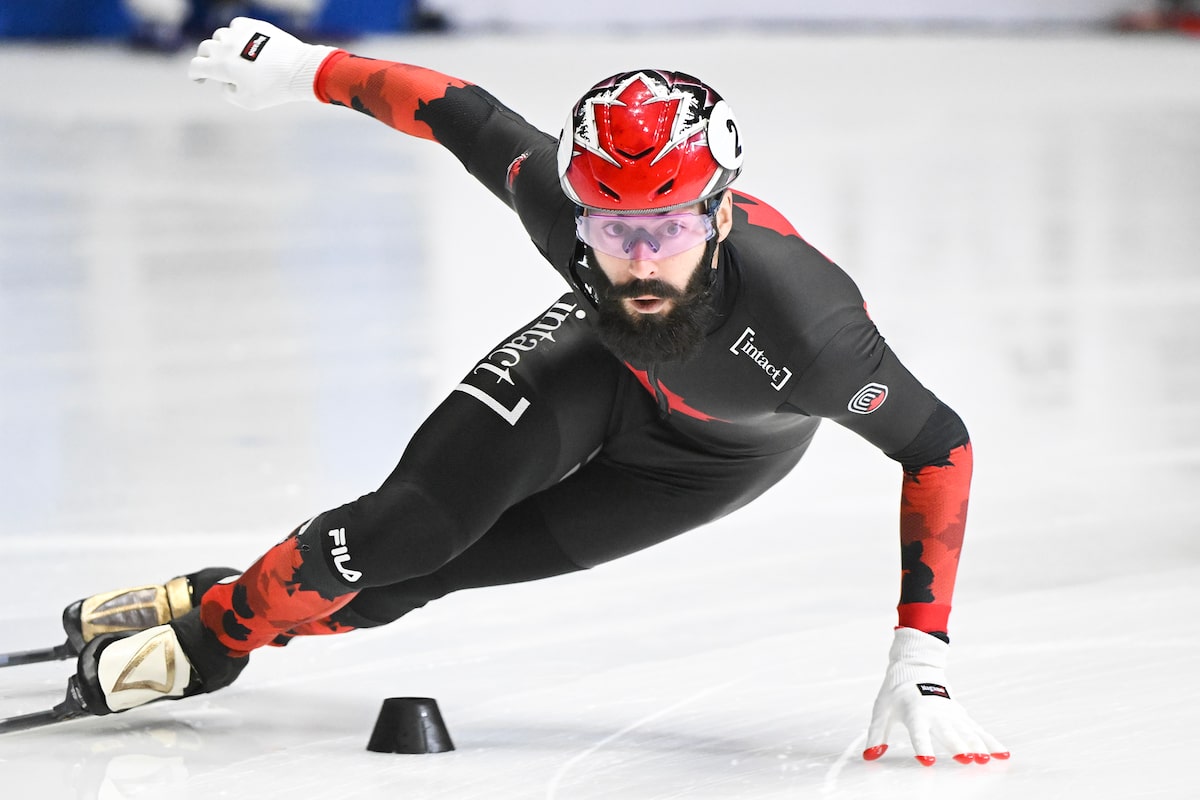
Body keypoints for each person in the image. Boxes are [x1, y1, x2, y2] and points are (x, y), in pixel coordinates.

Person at [57, 17, 1008, 767]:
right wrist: (308, 66)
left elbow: (938, 443)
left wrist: (920, 654)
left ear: (721, 213)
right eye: (609, 229)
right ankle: (220, 628)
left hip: (712, 459)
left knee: (430, 576)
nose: (638, 262)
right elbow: (458, 111)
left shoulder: (810, 326)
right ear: (576, 208)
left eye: (669, 228)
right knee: (409, 531)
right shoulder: (566, 210)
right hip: (595, 367)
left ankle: (225, 608)